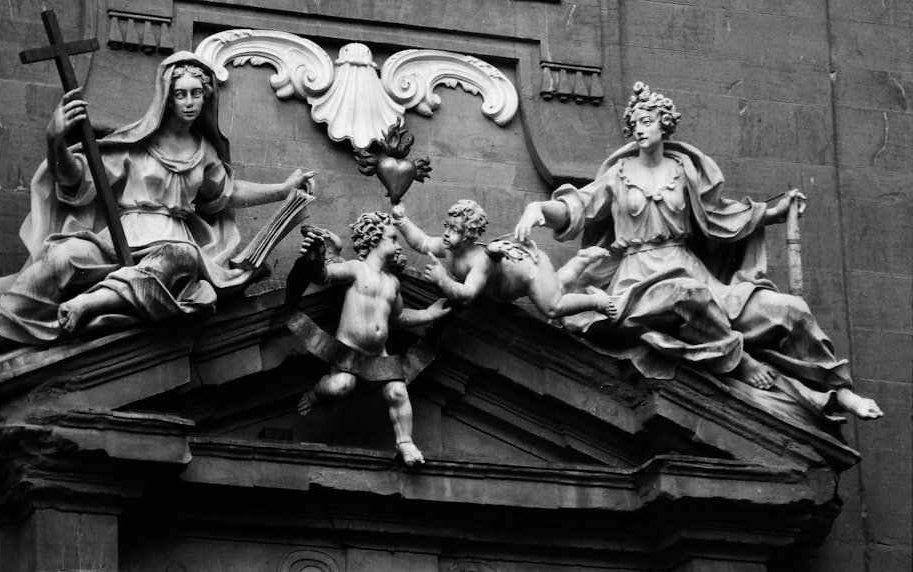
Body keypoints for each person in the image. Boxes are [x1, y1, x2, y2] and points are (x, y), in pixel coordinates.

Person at [513, 82, 882, 422]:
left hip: (689, 270)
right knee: (687, 296)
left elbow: (721, 217)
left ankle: (841, 391)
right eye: (635, 123)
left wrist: (774, 213)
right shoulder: (618, 175)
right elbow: (579, 206)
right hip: (638, 282)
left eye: (647, 121)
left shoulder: (683, 171)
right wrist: (541, 211)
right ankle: (741, 362)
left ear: (664, 125)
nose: (639, 128)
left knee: (791, 311)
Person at [0, 52, 315, 378]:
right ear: (167, 99)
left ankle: (90, 303)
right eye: (181, 94)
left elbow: (226, 193)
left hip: (170, 242)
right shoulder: (136, 146)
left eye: (196, 94)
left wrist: (282, 190)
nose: (188, 102)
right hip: (120, 236)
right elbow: (79, 181)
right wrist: (55, 139)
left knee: (182, 258)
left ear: (206, 98)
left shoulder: (204, 153)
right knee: (59, 257)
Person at [296, 212, 450, 465]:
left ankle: (406, 443)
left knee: (398, 392)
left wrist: (428, 314)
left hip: (379, 354)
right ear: (374, 238)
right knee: (341, 386)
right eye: (393, 238)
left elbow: (398, 318)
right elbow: (324, 276)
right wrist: (316, 256)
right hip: (348, 351)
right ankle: (315, 394)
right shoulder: (357, 269)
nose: (399, 245)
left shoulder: (392, 283)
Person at [392, 200, 616, 319]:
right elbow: (422, 242)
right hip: (509, 282)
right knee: (557, 286)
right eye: (447, 227)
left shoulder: (479, 261)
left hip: (529, 270)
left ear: (470, 235)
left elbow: (468, 294)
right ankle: (582, 261)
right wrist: (402, 221)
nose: (448, 233)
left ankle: (597, 301)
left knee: (553, 307)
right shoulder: (448, 246)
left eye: (455, 229)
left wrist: (443, 281)